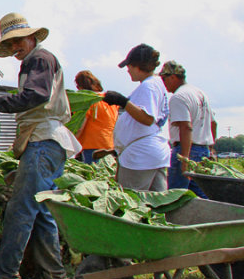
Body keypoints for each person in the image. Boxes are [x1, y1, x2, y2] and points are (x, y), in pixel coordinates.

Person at [0, 13, 80, 279]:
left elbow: (36, 95)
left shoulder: (39, 58)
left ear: (31, 36)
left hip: (42, 141)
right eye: (10, 45)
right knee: (42, 211)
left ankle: (5, 277)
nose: (15, 49)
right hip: (49, 143)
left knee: (20, 210)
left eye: (18, 41)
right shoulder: (35, 61)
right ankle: (53, 275)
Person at [104, 44, 170, 191]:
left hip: (141, 157)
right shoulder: (156, 83)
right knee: (158, 203)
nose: (128, 70)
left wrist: (122, 101)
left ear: (138, 66)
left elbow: (147, 118)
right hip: (152, 153)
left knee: (130, 203)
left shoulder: (149, 87)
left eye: (130, 66)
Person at [158, 60, 217, 198]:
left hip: (186, 150)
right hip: (203, 149)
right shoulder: (200, 94)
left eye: (164, 78)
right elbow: (213, 123)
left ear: (173, 77)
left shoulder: (178, 97)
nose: (163, 83)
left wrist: (184, 159)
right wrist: (212, 149)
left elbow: (186, 127)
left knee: (176, 195)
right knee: (201, 195)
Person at [73, 70, 118, 164]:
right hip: (109, 145)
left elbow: (80, 127)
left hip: (92, 146)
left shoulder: (88, 101)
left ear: (80, 86)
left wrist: (72, 144)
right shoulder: (109, 100)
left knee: (93, 175)